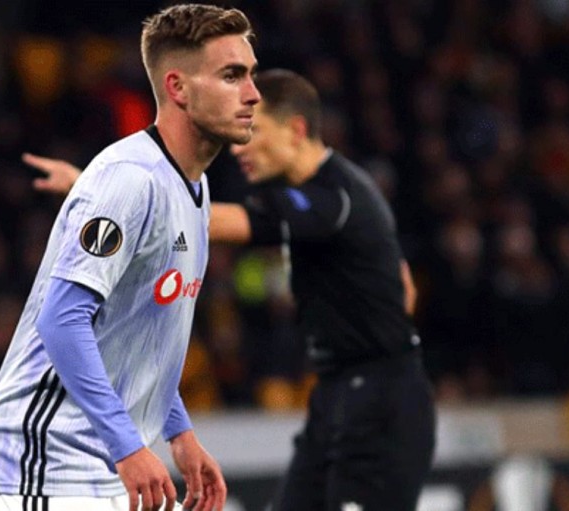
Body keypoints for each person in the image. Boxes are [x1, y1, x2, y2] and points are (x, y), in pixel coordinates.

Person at [25, 69, 435, 511]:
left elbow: (214, 221)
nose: (240, 145)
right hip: (342, 392)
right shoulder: (335, 195)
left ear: (296, 130)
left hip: (380, 402)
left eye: (255, 131)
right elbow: (402, 283)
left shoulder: (333, 196)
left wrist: (106, 194)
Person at [0, 4, 261, 511]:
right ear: (177, 88)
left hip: (103, 460)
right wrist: (128, 446)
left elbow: (140, 335)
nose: (253, 93)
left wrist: (179, 433)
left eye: (250, 75)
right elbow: (61, 320)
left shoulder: (192, 189)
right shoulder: (131, 180)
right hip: (48, 460)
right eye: (232, 75)